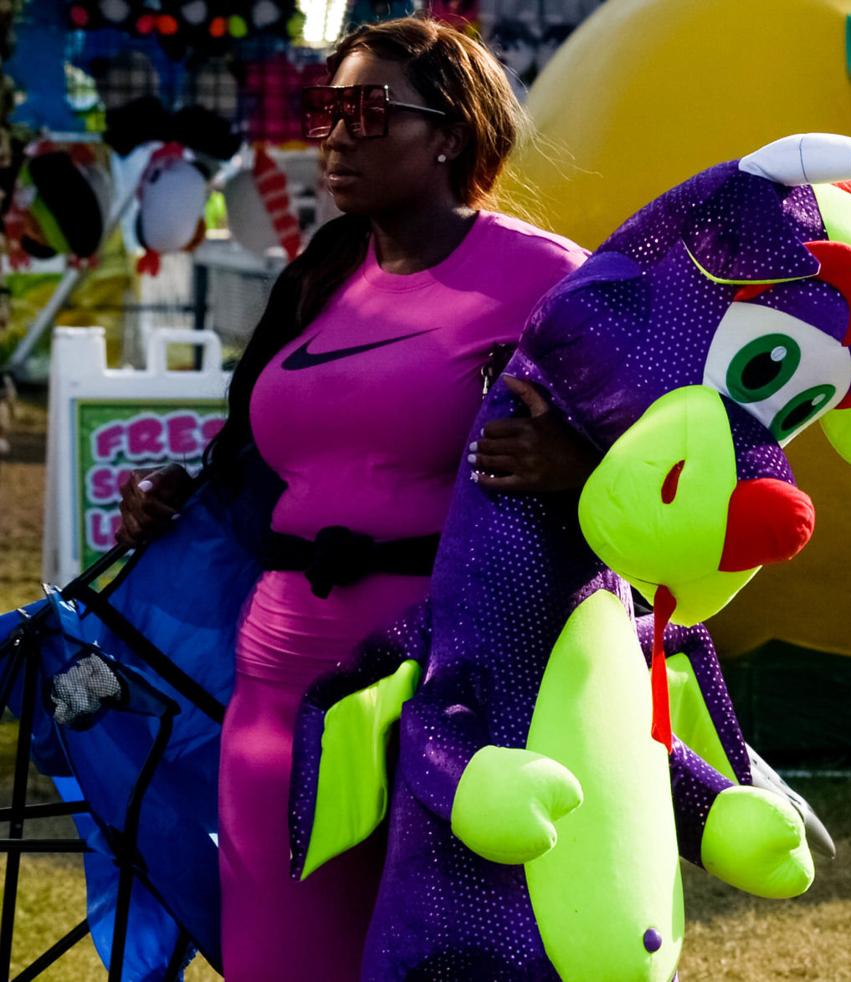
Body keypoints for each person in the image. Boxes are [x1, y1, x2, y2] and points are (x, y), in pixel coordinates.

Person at [116, 17, 593, 980]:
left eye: (366, 111)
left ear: (450, 133)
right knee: (276, 958)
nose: (334, 136)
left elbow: (663, 468)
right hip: (277, 680)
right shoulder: (324, 270)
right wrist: (184, 496)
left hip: (453, 688)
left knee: (441, 959)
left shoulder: (549, 279)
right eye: (326, 111)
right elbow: (256, 453)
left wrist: (571, 461)